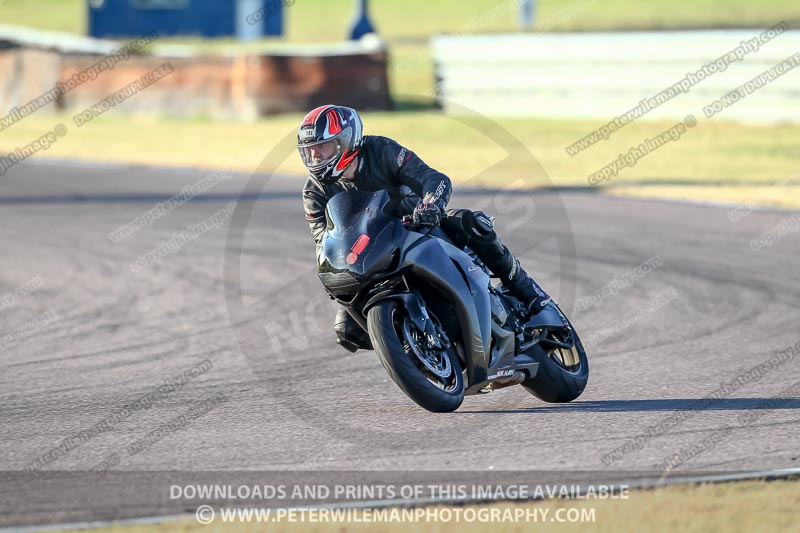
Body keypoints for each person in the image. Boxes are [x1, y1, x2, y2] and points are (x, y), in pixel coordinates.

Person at [299, 105, 550, 353]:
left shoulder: (382, 150)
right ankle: (413, 349)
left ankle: (528, 291)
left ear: (345, 141)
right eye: (310, 151)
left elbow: (433, 179)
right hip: (371, 255)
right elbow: (323, 240)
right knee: (346, 330)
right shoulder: (314, 191)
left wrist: (431, 204)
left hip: (417, 227)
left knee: (470, 223)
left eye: (323, 147)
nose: (316, 156)